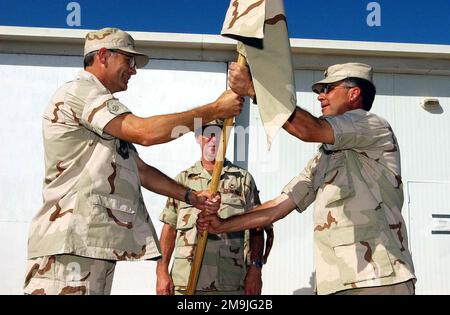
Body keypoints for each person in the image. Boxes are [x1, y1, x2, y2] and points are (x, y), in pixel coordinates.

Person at [23, 27, 244, 295]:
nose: (134, 70)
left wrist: (190, 196)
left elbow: (140, 170)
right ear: (103, 55)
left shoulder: (104, 115)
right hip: (68, 245)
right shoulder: (81, 92)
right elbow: (145, 133)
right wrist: (213, 110)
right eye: (129, 60)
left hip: (90, 246)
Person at [198, 62, 417, 295]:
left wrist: (255, 89)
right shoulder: (324, 157)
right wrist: (223, 224)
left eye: (328, 89)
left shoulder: (372, 125)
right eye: (319, 92)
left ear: (354, 94)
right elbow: (278, 207)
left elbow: (308, 129)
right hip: (337, 283)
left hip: (377, 280)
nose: (320, 97)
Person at [156, 120, 273, 295]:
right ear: (197, 137)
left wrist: (256, 270)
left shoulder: (242, 180)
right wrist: (162, 272)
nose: (213, 139)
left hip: (229, 285)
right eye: (208, 133)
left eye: (219, 134)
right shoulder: (182, 181)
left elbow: (257, 228)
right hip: (186, 284)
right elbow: (169, 228)